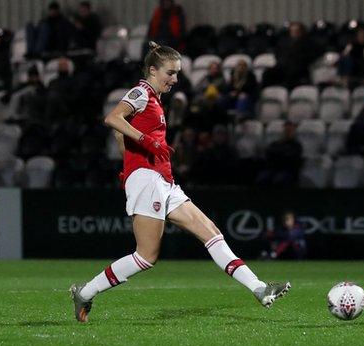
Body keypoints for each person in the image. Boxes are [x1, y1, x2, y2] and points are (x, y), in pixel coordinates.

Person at [69, 41, 291, 323]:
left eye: (177, 74)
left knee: (211, 232)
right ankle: (86, 292)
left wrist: (130, 162)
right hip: (148, 179)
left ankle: (259, 288)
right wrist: (143, 147)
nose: (175, 80)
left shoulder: (154, 99)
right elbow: (112, 119)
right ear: (152, 70)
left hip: (161, 178)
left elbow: (120, 133)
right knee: (146, 256)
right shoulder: (141, 93)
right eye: (170, 73)